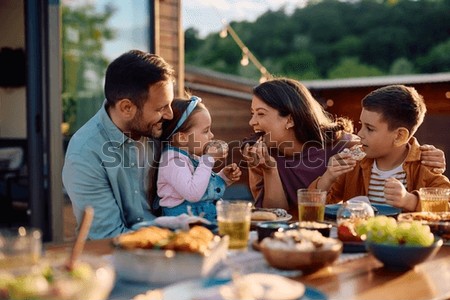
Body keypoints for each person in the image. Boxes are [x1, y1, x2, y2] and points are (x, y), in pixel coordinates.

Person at [242, 78, 446, 220]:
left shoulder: (349, 150)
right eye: (252, 113)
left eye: (260, 114)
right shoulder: (260, 156)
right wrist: (328, 175)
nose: (252, 122)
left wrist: (411, 195)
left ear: (290, 120)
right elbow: (283, 214)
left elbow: (392, 139)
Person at [62, 50, 175, 239]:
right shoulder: (85, 153)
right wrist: (175, 238)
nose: (170, 114)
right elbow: (109, 236)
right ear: (126, 108)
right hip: (116, 257)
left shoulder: (158, 128)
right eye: (161, 108)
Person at [310, 84, 450, 211]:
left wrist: (409, 201)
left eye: (369, 128)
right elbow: (314, 207)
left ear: (399, 136)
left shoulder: (425, 164)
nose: (359, 133)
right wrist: (328, 177)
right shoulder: (353, 164)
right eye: (361, 125)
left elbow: (445, 207)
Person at [153, 96, 242, 222]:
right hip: (185, 228)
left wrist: (223, 178)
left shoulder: (189, 155)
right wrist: (208, 159)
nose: (211, 135)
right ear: (183, 138)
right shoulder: (173, 161)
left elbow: (200, 186)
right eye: (206, 131)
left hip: (202, 221)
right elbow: (193, 193)